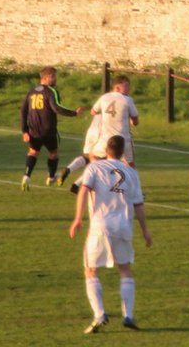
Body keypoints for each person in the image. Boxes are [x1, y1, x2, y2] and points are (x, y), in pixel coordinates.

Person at [69, 136, 152, 334]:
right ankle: (128, 315)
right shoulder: (131, 172)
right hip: (124, 226)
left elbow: (83, 191)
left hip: (100, 226)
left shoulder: (94, 168)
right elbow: (138, 204)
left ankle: (99, 314)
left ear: (106, 149)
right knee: (125, 269)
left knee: (90, 270)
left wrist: (78, 219)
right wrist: (145, 230)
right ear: (122, 152)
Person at [59, 76, 139, 190]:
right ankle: (136, 191)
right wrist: (129, 119)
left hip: (105, 138)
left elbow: (93, 112)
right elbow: (136, 121)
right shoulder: (127, 100)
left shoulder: (104, 97)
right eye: (126, 85)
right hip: (123, 139)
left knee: (93, 156)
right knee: (129, 164)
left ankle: (89, 181)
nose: (128, 88)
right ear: (117, 87)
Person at [20, 67, 82, 191]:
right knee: (53, 153)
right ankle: (51, 177)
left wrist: (24, 131)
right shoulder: (51, 91)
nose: (55, 79)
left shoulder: (31, 91)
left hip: (33, 130)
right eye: (54, 76)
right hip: (48, 130)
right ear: (47, 77)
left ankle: (27, 176)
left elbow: (23, 110)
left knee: (33, 152)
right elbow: (57, 108)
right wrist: (74, 113)